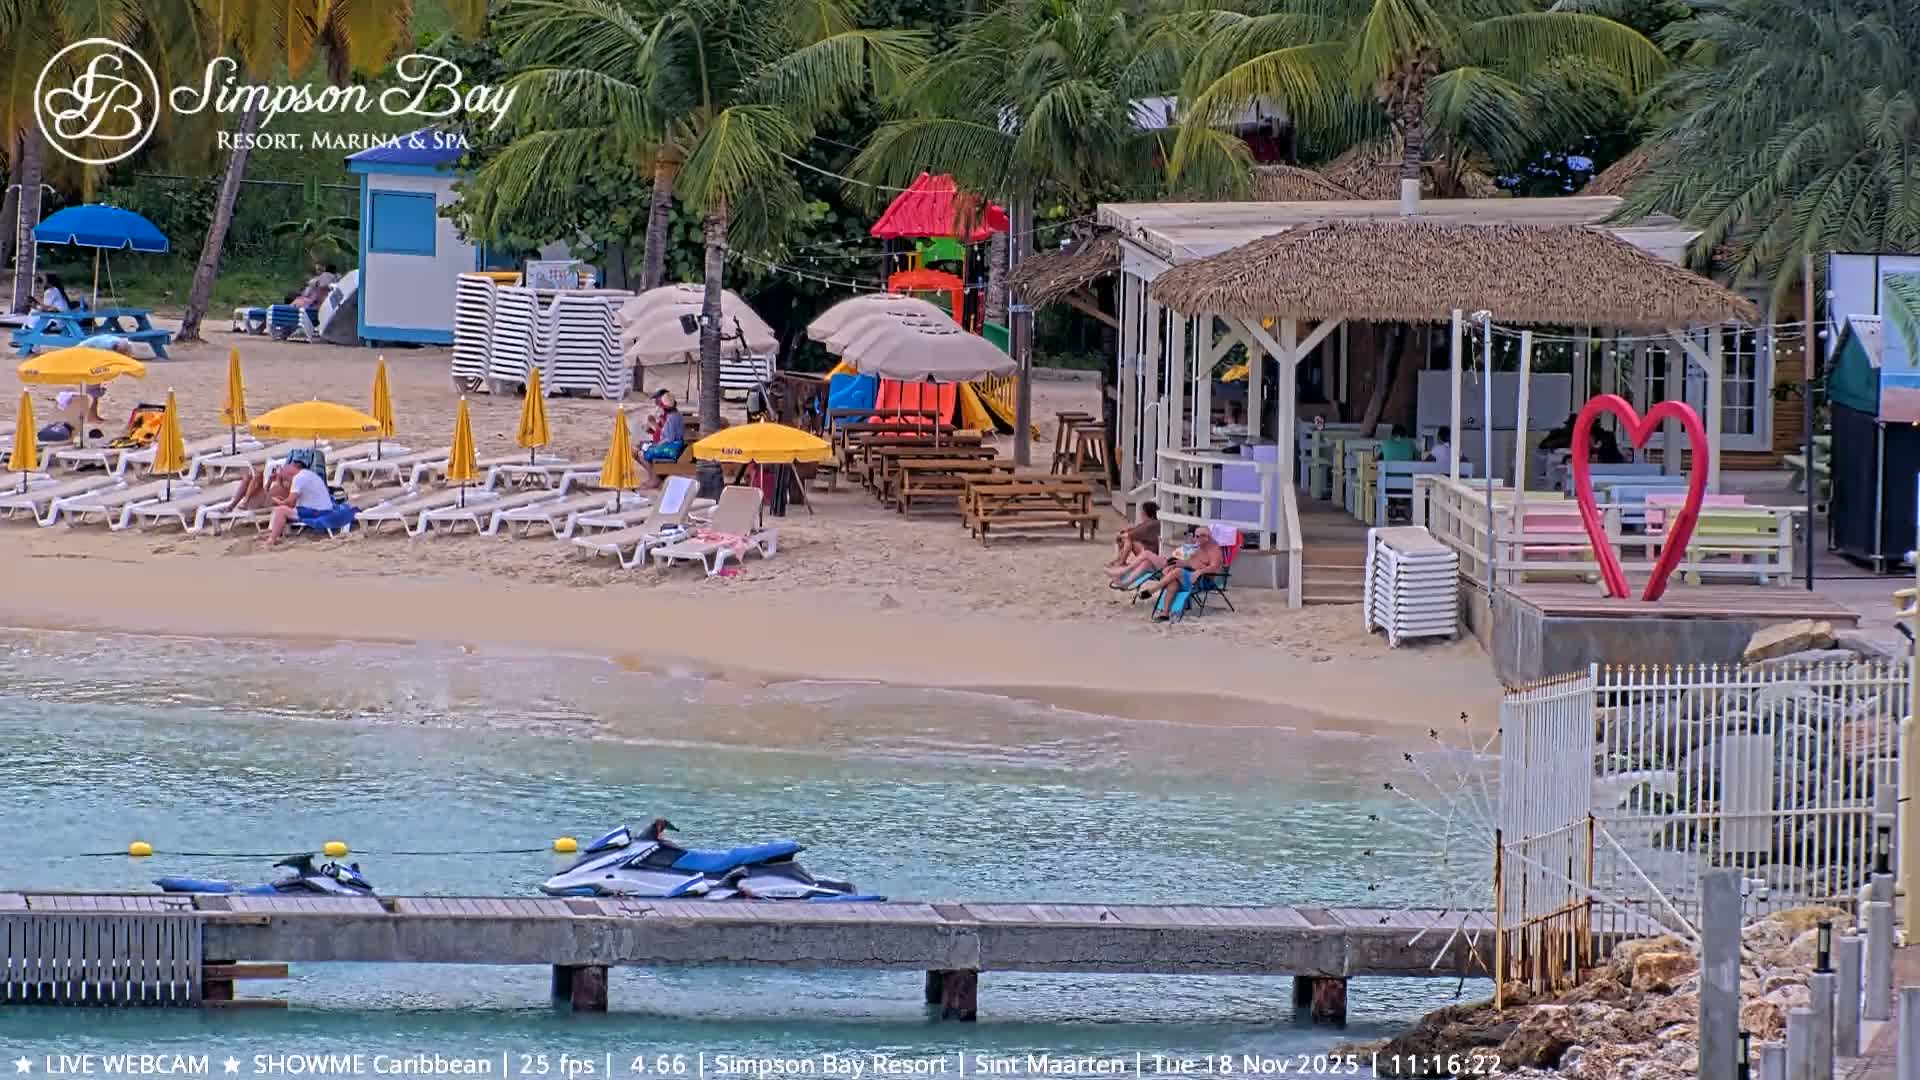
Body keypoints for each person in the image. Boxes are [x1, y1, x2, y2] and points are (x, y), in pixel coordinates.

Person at [1136, 526, 1224, 621]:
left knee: (1178, 572)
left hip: (1202, 580)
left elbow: (1214, 567)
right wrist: (1178, 564)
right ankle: (1165, 613)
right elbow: (1191, 563)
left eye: (1197, 536)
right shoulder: (1199, 547)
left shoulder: (1214, 551)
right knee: (1173, 581)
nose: (1195, 538)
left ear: (1206, 537)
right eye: (1195, 535)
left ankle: (1153, 589)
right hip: (1189, 576)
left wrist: (1199, 571)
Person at [266, 458, 334, 546]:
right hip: (324, 509)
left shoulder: (299, 478)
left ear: (293, 467)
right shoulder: (309, 474)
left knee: (280, 510)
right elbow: (292, 500)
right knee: (283, 509)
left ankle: (271, 540)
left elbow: (290, 502)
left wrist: (279, 502)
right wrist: (283, 499)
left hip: (317, 511)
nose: (283, 470)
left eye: (285, 467)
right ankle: (275, 534)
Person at [636, 390, 687, 488]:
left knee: (643, 453)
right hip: (674, 445)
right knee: (643, 449)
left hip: (673, 447)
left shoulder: (671, 418)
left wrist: (656, 443)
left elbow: (670, 438)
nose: (658, 407)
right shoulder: (673, 416)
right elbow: (665, 434)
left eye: (659, 404)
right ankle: (655, 478)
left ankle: (654, 479)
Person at [1106, 500, 1161, 569]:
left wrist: (1120, 535)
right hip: (1152, 550)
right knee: (1127, 537)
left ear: (1148, 513)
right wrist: (1127, 531)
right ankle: (1118, 560)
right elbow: (1137, 530)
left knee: (1129, 539)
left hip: (1150, 552)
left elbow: (1132, 534)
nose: (1141, 514)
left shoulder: (1150, 524)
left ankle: (1121, 561)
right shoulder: (1155, 522)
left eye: (1143, 513)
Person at [225, 463, 290, 514]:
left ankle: (242, 503)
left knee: (258, 475)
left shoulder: (289, 481)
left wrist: (279, 479)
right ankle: (233, 505)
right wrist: (270, 481)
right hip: (263, 500)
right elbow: (267, 490)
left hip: (270, 501)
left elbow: (280, 496)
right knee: (249, 477)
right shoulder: (282, 477)